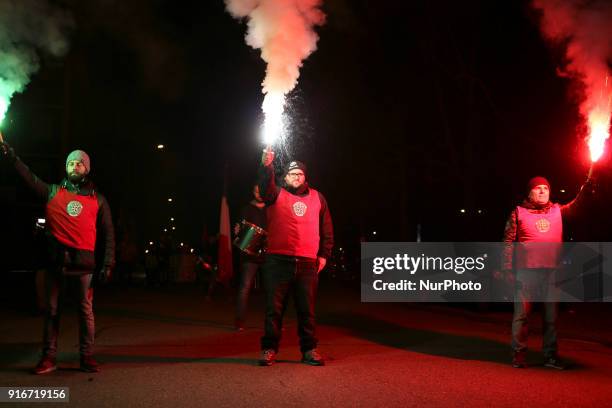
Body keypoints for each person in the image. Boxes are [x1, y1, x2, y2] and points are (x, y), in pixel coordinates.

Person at [1, 134, 115, 374]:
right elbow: (28, 178)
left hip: (84, 266)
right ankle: (49, 357)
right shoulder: (52, 192)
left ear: (87, 168)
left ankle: (87, 357)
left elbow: (109, 234)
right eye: (71, 162)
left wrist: (108, 263)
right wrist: (10, 155)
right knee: (52, 311)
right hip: (56, 263)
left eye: (80, 162)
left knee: (85, 312)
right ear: (66, 167)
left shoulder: (99, 200)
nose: (75, 165)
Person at [502, 175, 589, 370]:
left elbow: (580, 204)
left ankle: (550, 356)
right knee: (521, 316)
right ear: (529, 192)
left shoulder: (558, 210)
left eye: (546, 188)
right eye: (538, 188)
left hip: (552, 273)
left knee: (551, 318)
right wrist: (506, 268)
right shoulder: (518, 212)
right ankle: (518, 354)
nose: (542, 191)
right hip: (526, 272)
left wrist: (587, 186)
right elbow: (507, 242)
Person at [257, 149, 333, 366]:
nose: (296, 177)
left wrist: (325, 255)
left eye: (300, 174)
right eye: (292, 174)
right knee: (274, 310)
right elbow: (264, 187)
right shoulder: (275, 194)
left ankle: (309, 350)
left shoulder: (318, 197)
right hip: (277, 261)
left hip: (308, 263)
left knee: (306, 311)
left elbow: (327, 228)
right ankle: (269, 349)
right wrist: (266, 166)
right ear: (285, 177)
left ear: (305, 177)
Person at [234, 185, 267, 331]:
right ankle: (240, 321)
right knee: (245, 288)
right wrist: (237, 230)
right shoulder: (245, 209)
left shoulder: (272, 208)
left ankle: (273, 322)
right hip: (250, 256)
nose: (259, 193)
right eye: (256, 190)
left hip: (268, 254)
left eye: (261, 190)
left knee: (272, 289)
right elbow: (239, 229)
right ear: (252, 192)